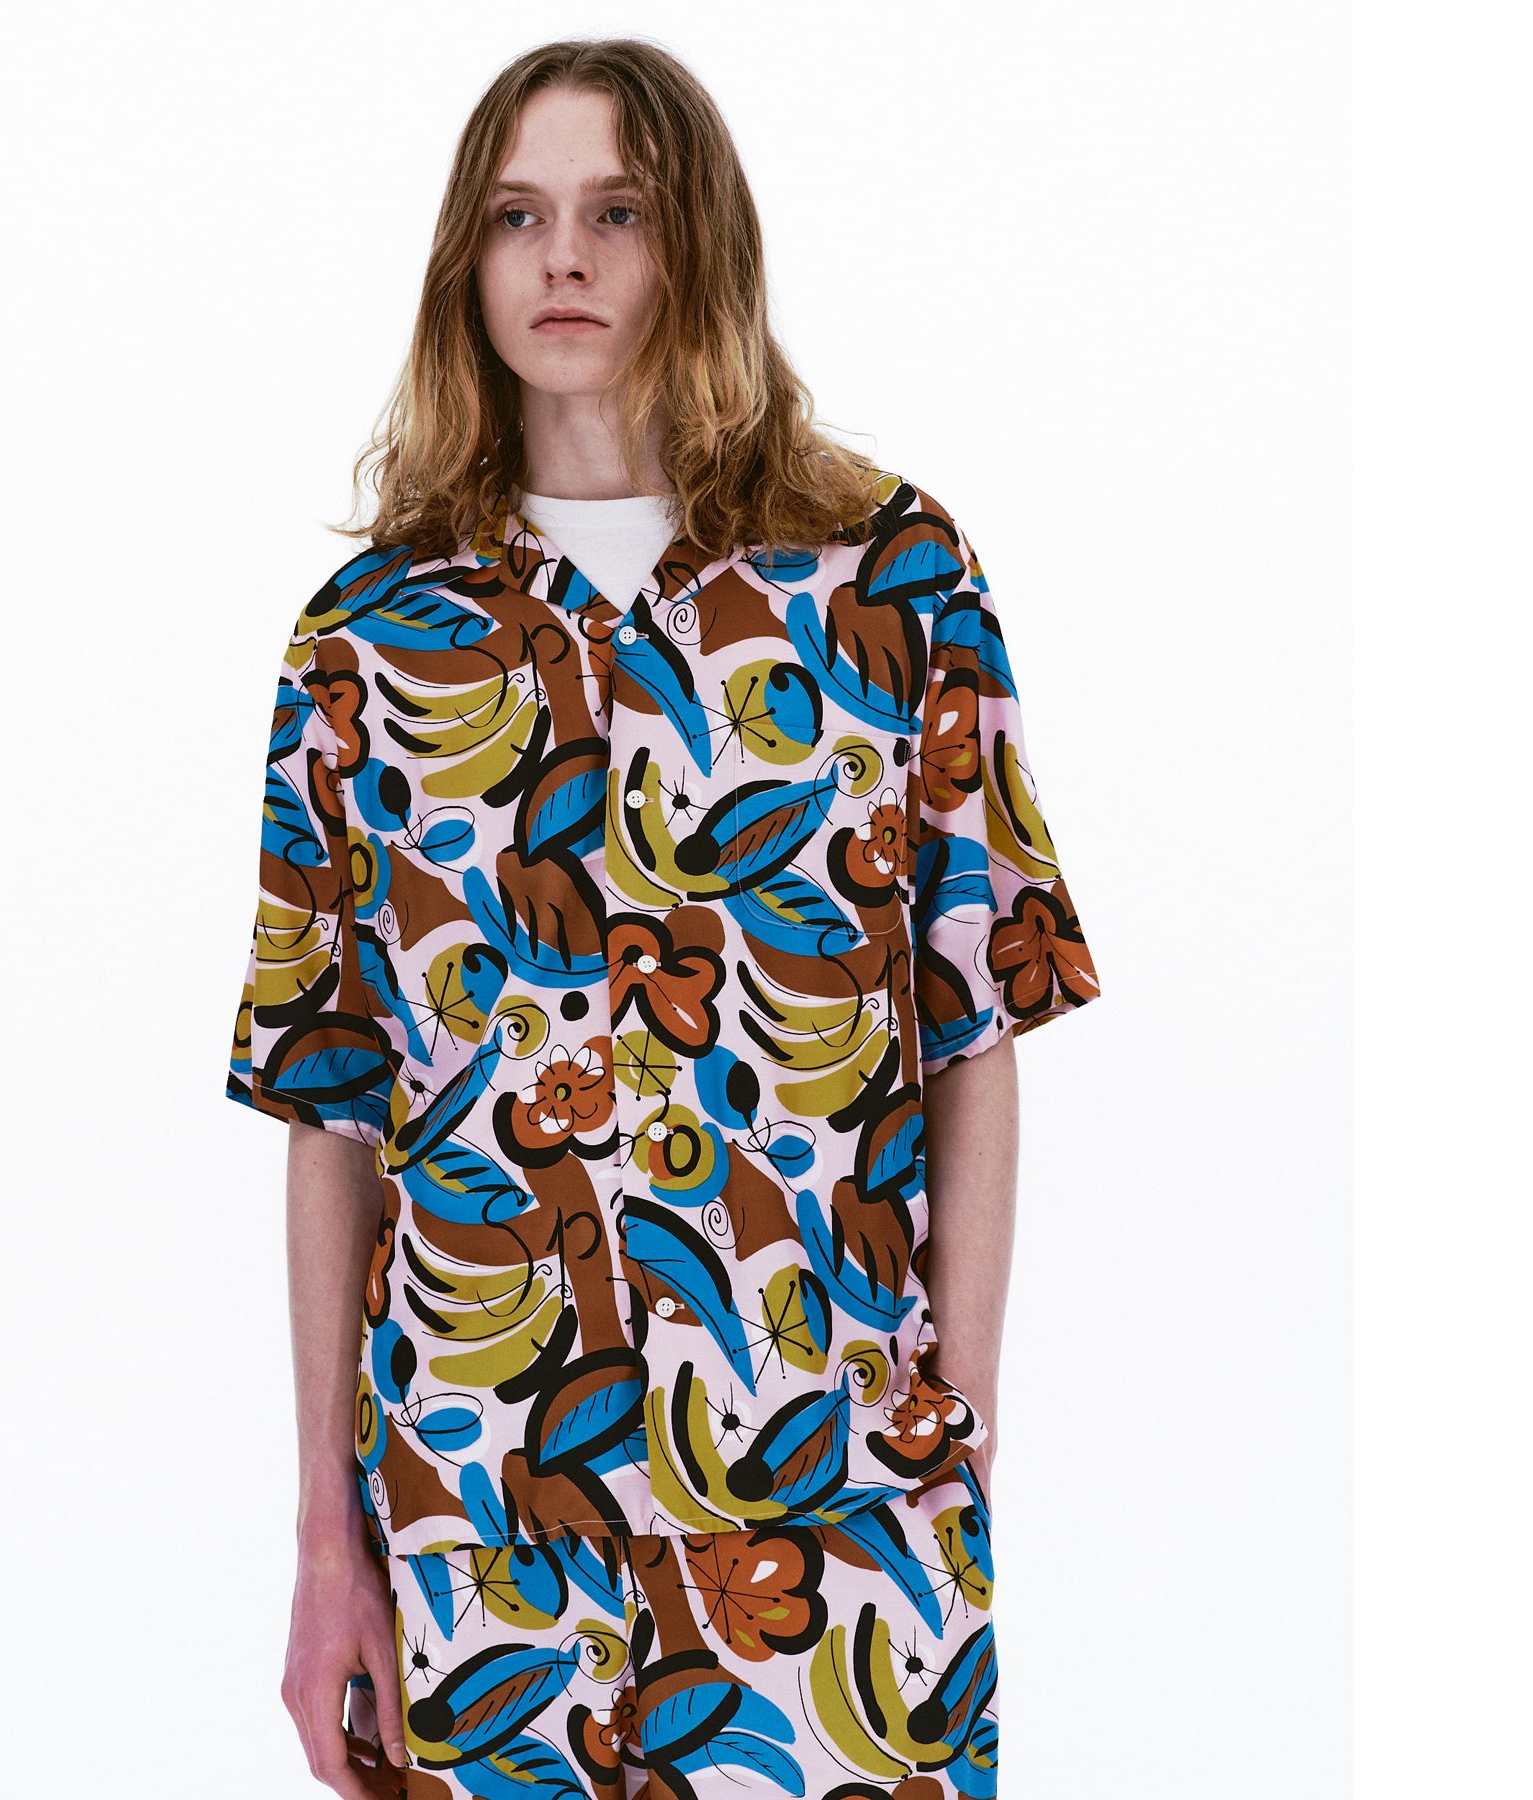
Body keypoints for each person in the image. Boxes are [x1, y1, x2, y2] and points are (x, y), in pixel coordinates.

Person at [224, 37, 1100, 1800]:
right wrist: (326, 1538)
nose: (563, 258)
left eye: (615, 213)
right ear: (464, 262)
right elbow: (329, 1100)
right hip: (480, 1527)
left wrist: (963, 1424)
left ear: (697, 241)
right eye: (517, 216)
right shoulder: (368, 639)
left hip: (836, 1509)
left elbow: (976, 1019)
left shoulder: (890, 581)